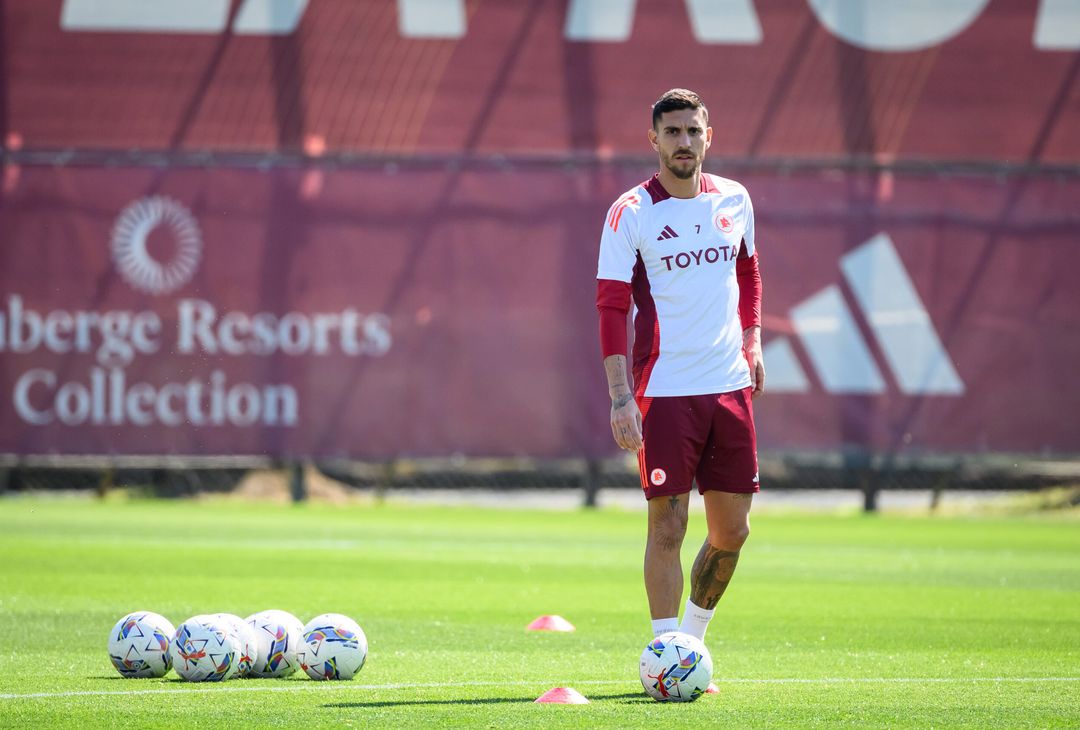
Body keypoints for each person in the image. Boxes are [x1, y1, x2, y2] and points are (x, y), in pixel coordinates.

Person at [595, 88, 764, 642]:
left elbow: (749, 275)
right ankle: (666, 653)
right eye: (673, 132)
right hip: (664, 389)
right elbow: (612, 306)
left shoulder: (735, 200)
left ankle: (691, 641)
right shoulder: (630, 213)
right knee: (668, 526)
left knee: (732, 532)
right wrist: (621, 396)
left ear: (708, 136)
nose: (684, 142)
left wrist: (753, 339)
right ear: (654, 141)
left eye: (693, 131)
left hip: (729, 387)